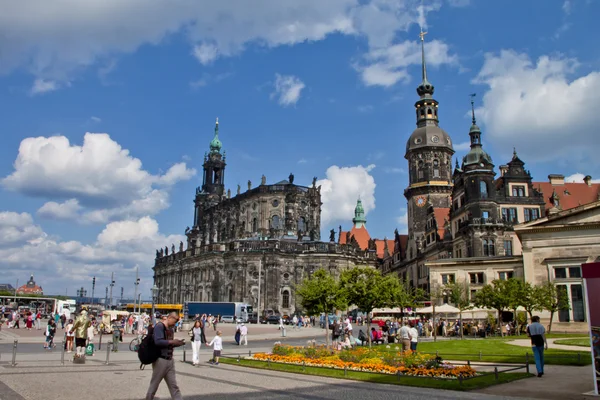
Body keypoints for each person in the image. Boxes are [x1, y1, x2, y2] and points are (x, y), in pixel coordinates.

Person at [146, 312, 185, 400]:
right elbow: (158, 341)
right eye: (174, 322)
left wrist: (177, 343)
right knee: (154, 385)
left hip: (169, 360)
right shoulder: (159, 326)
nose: (174, 324)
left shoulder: (170, 329)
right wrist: (172, 342)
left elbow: (168, 343)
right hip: (160, 360)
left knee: (173, 386)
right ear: (170, 318)